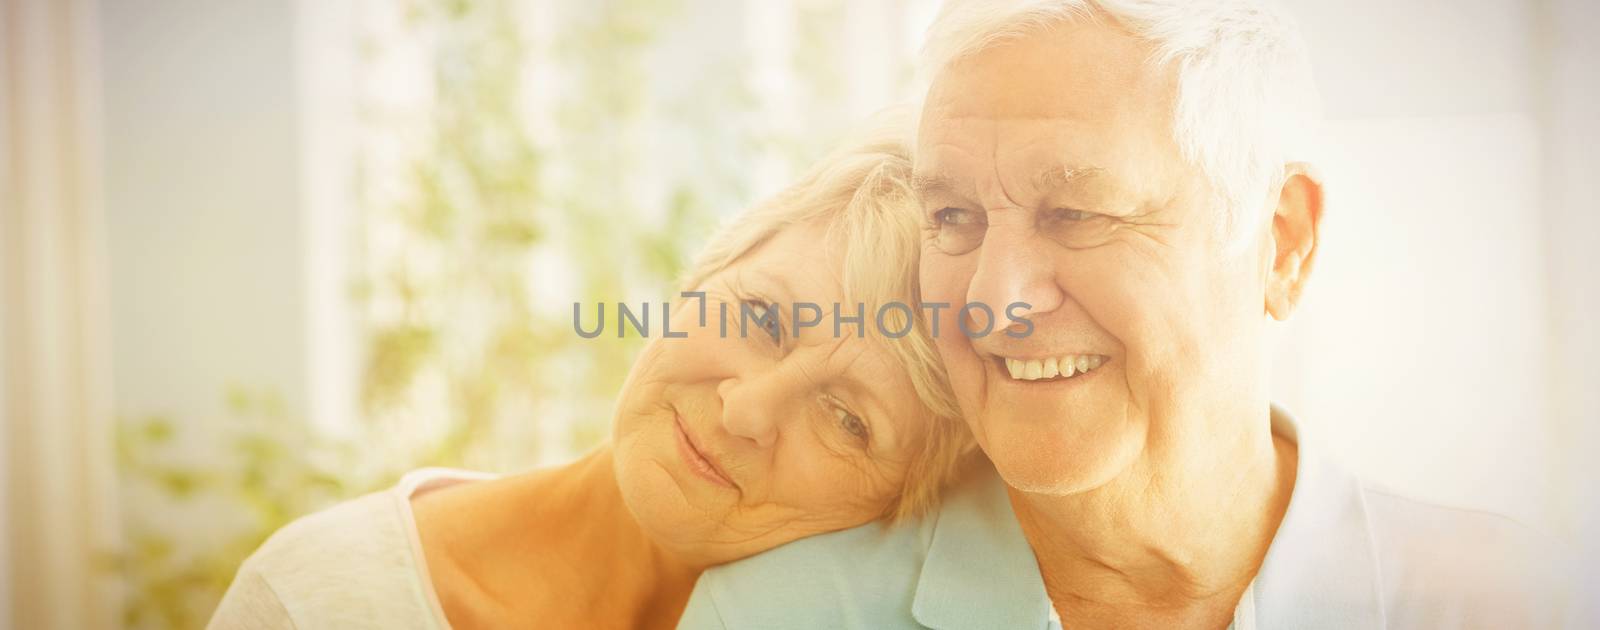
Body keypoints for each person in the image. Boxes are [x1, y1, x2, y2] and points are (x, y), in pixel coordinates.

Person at [678, 1, 1568, 628]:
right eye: (954, 217)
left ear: (1282, 242)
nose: (995, 301)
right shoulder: (785, 614)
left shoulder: (1518, 602)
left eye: (1078, 214)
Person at [206, 112, 973, 629]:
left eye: (848, 420)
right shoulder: (317, 601)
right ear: (704, 274)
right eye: (763, 318)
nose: (747, 411)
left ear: (905, 501)